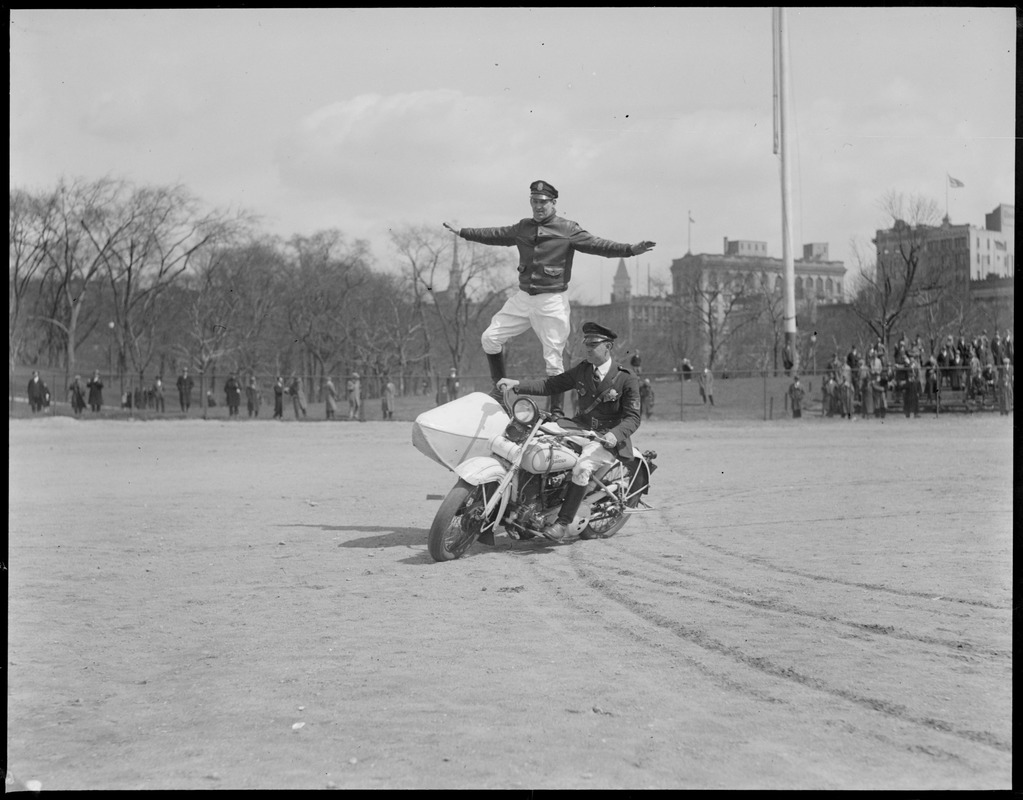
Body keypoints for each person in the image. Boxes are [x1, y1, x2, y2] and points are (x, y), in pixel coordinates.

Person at [444, 179, 655, 417]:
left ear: (553, 203)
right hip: (523, 298)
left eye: (543, 202)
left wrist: (629, 250)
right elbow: (495, 234)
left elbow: (598, 245)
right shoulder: (523, 227)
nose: (538, 206)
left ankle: (556, 412)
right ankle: (500, 391)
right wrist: (463, 232)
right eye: (534, 201)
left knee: (553, 359)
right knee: (490, 338)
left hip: (551, 301)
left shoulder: (568, 229)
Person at [497, 321, 641, 542]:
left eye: (593, 344)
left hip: (607, 438)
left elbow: (633, 418)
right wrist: (517, 384)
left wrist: (614, 434)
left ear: (608, 347)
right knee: (535, 442)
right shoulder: (583, 370)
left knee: (582, 468)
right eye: (586, 344)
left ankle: (562, 523)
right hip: (579, 428)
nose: (588, 348)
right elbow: (551, 385)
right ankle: (531, 504)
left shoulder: (626, 378)